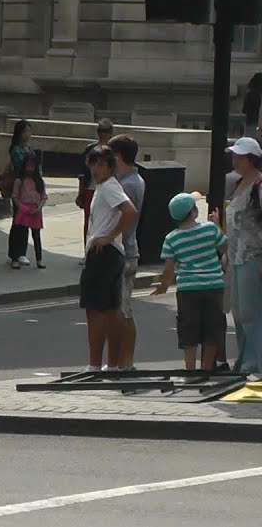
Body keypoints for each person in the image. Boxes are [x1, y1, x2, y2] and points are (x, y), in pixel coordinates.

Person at [152, 193, 228, 371]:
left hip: (187, 289)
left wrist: (163, 285)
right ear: (193, 212)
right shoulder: (210, 229)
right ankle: (207, 368)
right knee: (213, 328)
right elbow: (225, 247)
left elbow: (169, 268)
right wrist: (217, 224)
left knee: (189, 329)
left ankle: (190, 369)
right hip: (214, 285)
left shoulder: (172, 238)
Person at [79, 145, 138, 371]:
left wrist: (108, 237)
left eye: (102, 164)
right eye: (93, 164)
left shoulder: (108, 188)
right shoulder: (105, 187)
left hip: (103, 253)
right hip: (112, 254)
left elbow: (130, 211)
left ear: (112, 167)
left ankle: (94, 365)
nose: (96, 169)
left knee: (95, 310)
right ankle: (112, 365)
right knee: (111, 311)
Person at [222, 136, 262, 375]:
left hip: (252, 256)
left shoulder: (258, 185)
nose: (234, 160)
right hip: (235, 256)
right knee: (237, 311)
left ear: (250, 158)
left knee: (251, 312)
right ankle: (245, 362)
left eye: (239, 156)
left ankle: (254, 363)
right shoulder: (237, 184)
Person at [108, 133, 146, 370]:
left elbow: (124, 217)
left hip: (125, 251)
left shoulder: (129, 184)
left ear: (118, 156)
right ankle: (117, 363)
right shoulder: (130, 180)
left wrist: (108, 237)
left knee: (124, 311)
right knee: (117, 310)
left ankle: (126, 363)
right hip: (125, 250)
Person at [76, 119, 115, 261]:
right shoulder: (90, 149)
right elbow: (82, 174)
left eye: (105, 131)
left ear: (111, 133)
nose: (102, 134)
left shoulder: (114, 151)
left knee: (106, 220)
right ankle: (87, 252)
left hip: (108, 190)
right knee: (89, 221)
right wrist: (80, 193)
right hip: (90, 189)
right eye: (99, 131)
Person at [9, 154, 47, 270]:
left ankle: (39, 260)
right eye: (28, 165)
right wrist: (21, 207)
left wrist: (39, 208)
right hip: (23, 210)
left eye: (32, 166)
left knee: (36, 236)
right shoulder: (19, 181)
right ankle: (15, 259)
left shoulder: (39, 181)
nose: (30, 168)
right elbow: (14, 196)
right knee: (19, 235)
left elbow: (43, 197)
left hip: (36, 211)